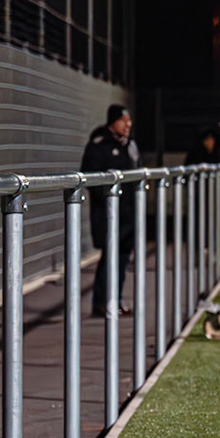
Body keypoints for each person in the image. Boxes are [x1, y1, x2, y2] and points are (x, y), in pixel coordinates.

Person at [80, 104, 140, 314]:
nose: (128, 125)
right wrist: (108, 198)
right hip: (108, 213)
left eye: (129, 121)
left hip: (129, 214)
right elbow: (90, 176)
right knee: (109, 257)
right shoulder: (99, 144)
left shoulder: (130, 145)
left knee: (123, 257)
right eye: (124, 120)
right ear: (113, 121)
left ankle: (117, 297)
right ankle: (101, 301)